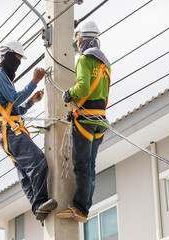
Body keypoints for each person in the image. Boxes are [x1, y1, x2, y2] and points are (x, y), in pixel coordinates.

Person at [0, 40, 57, 222]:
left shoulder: (6, 79)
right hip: (9, 131)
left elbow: (14, 107)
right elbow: (15, 99)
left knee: (25, 173)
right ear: (9, 56)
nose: (18, 62)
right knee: (39, 162)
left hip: (7, 131)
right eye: (17, 58)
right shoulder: (0, 76)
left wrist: (31, 102)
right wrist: (34, 81)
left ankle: (38, 211)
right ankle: (40, 201)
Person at [57, 20, 111, 223]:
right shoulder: (105, 63)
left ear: (83, 38)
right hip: (100, 120)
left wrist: (68, 94)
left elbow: (83, 88)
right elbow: (103, 93)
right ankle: (84, 207)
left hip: (86, 120)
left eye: (77, 38)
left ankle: (80, 207)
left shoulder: (83, 61)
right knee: (90, 165)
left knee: (82, 165)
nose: (76, 42)